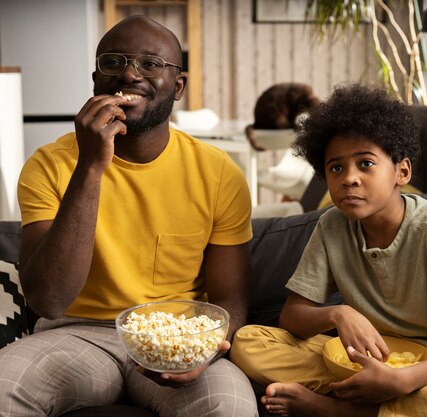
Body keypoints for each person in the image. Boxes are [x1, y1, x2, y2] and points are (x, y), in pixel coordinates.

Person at [0, 15, 258, 417]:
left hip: (177, 336)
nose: (130, 74)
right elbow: (48, 299)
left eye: (151, 64)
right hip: (76, 335)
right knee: (4, 384)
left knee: (229, 405)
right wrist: (89, 165)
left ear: (178, 86)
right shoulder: (49, 164)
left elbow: (229, 299)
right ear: (95, 79)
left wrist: (204, 352)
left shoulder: (219, 172)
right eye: (113, 62)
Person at [230, 83, 427, 417]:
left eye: (366, 164)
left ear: (402, 171)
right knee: (247, 343)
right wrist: (339, 313)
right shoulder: (332, 226)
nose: (349, 179)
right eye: (336, 167)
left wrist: (404, 380)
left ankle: (344, 410)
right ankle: (380, 399)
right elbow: (292, 317)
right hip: (359, 359)